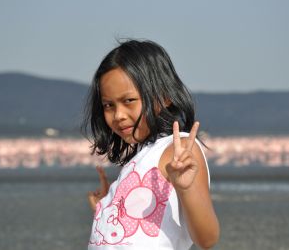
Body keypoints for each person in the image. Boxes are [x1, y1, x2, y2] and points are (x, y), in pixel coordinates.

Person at [81, 39, 220, 250]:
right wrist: (108, 208)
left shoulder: (177, 150)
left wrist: (187, 186)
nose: (118, 115)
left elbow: (207, 238)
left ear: (164, 97)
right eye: (109, 105)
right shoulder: (141, 157)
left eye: (128, 101)